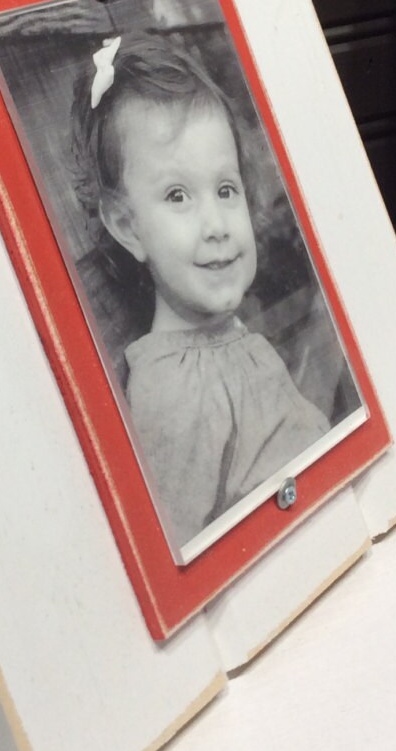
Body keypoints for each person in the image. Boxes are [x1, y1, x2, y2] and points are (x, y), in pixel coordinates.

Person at [72, 30, 329, 550]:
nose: (217, 224)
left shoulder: (226, 336)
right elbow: (183, 550)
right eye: (178, 195)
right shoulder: (171, 394)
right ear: (127, 226)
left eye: (226, 189)